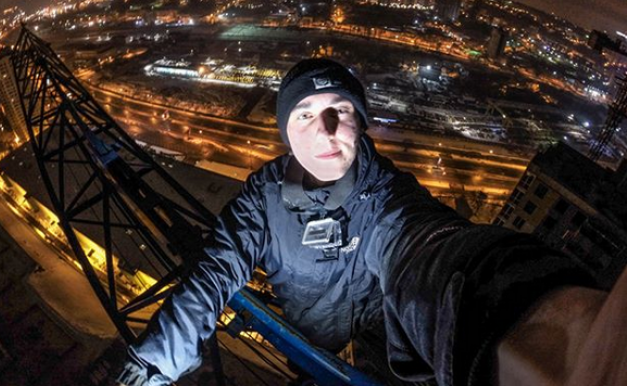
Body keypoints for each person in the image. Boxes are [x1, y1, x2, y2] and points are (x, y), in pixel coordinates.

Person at [117, 58, 625, 386]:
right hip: (308, 339)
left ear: (361, 123)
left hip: (382, 346)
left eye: (340, 110)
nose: (325, 131)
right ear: (285, 133)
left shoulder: (386, 195)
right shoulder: (262, 201)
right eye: (304, 115)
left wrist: (532, 321)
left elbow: (426, 249)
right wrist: (154, 363)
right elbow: (213, 275)